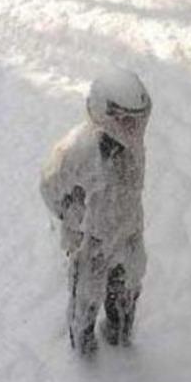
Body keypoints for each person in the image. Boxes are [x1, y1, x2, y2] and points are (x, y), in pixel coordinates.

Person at [40, 70, 152, 355]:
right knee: (86, 298)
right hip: (91, 243)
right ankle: (84, 348)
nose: (132, 126)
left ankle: (119, 335)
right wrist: (78, 221)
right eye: (125, 120)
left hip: (128, 233)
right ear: (105, 114)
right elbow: (50, 187)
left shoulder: (134, 146)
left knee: (125, 290)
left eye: (137, 119)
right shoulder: (77, 150)